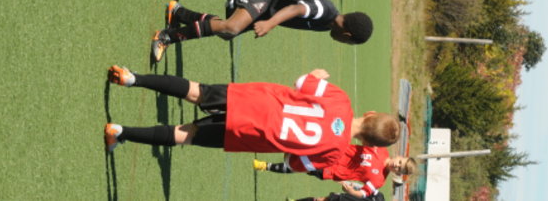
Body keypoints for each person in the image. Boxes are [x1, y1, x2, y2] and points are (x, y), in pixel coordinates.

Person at [105, 65, 401, 173]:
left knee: (197, 91)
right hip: (251, 134)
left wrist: (314, 75)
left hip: (254, 98)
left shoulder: (341, 100)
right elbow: (293, 163)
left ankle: (133, 78)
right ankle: (120, 131)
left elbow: (301, 82)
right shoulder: (335, 154)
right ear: (367, 144)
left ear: (371, 113)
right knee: (188, 134)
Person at [150, 0, 373, 62]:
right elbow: (296, 9)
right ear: (347, 34)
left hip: (269, 8)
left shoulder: (328, 24)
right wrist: (270, 23)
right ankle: (165, 37)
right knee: (231, 27)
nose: (342, 43)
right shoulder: (325, 11)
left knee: (227, 32)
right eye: (347, 42)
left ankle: (178, 12)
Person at [254, 144, 416, 198]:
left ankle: (265, 166)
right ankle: (268, 144)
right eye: (400, 163)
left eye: (399, 169)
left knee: (299, 166)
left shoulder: (379, 180)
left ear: (398, 173)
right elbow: (367, 136)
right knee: (302, 147)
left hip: (330, 170)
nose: (397, 166)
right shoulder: (381, 149)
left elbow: (363, 193)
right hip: (334, 150)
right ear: (400, 156)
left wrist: (351, 191)